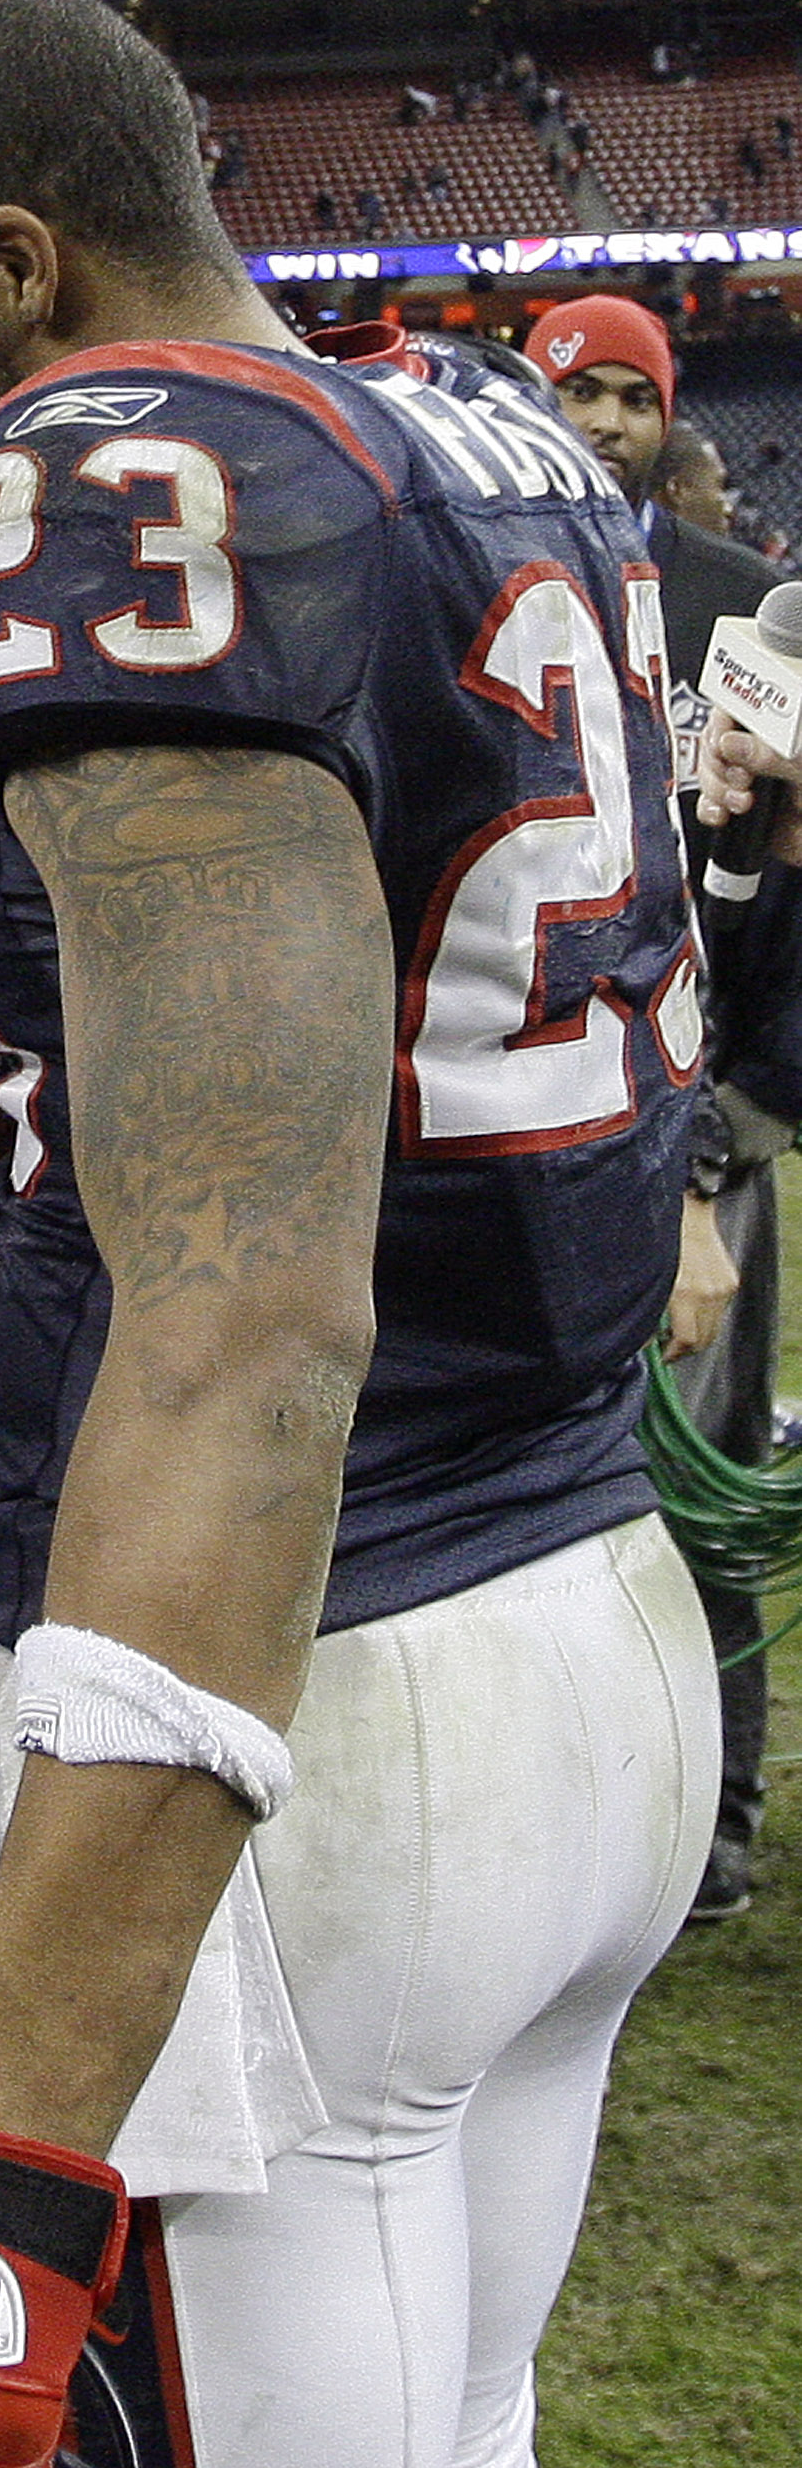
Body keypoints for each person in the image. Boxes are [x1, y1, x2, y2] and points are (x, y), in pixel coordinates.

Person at [0, 0, 715, 2468]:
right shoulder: (480, 427)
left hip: (310, 1670)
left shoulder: (106, 467)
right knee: (469, 2404)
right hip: (589, 1603)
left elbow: (244, 1302)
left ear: (20, 262)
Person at [525, 295, 802, 1926]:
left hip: (704, 1117)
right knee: (540, 1488)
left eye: (638, 395)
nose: (611, 419)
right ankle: (574, 1808)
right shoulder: (484, 579)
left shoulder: (746, 610)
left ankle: (718, 1818)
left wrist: (720, 1136)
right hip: (531, 1111)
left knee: (695, 1481)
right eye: (583, 389)